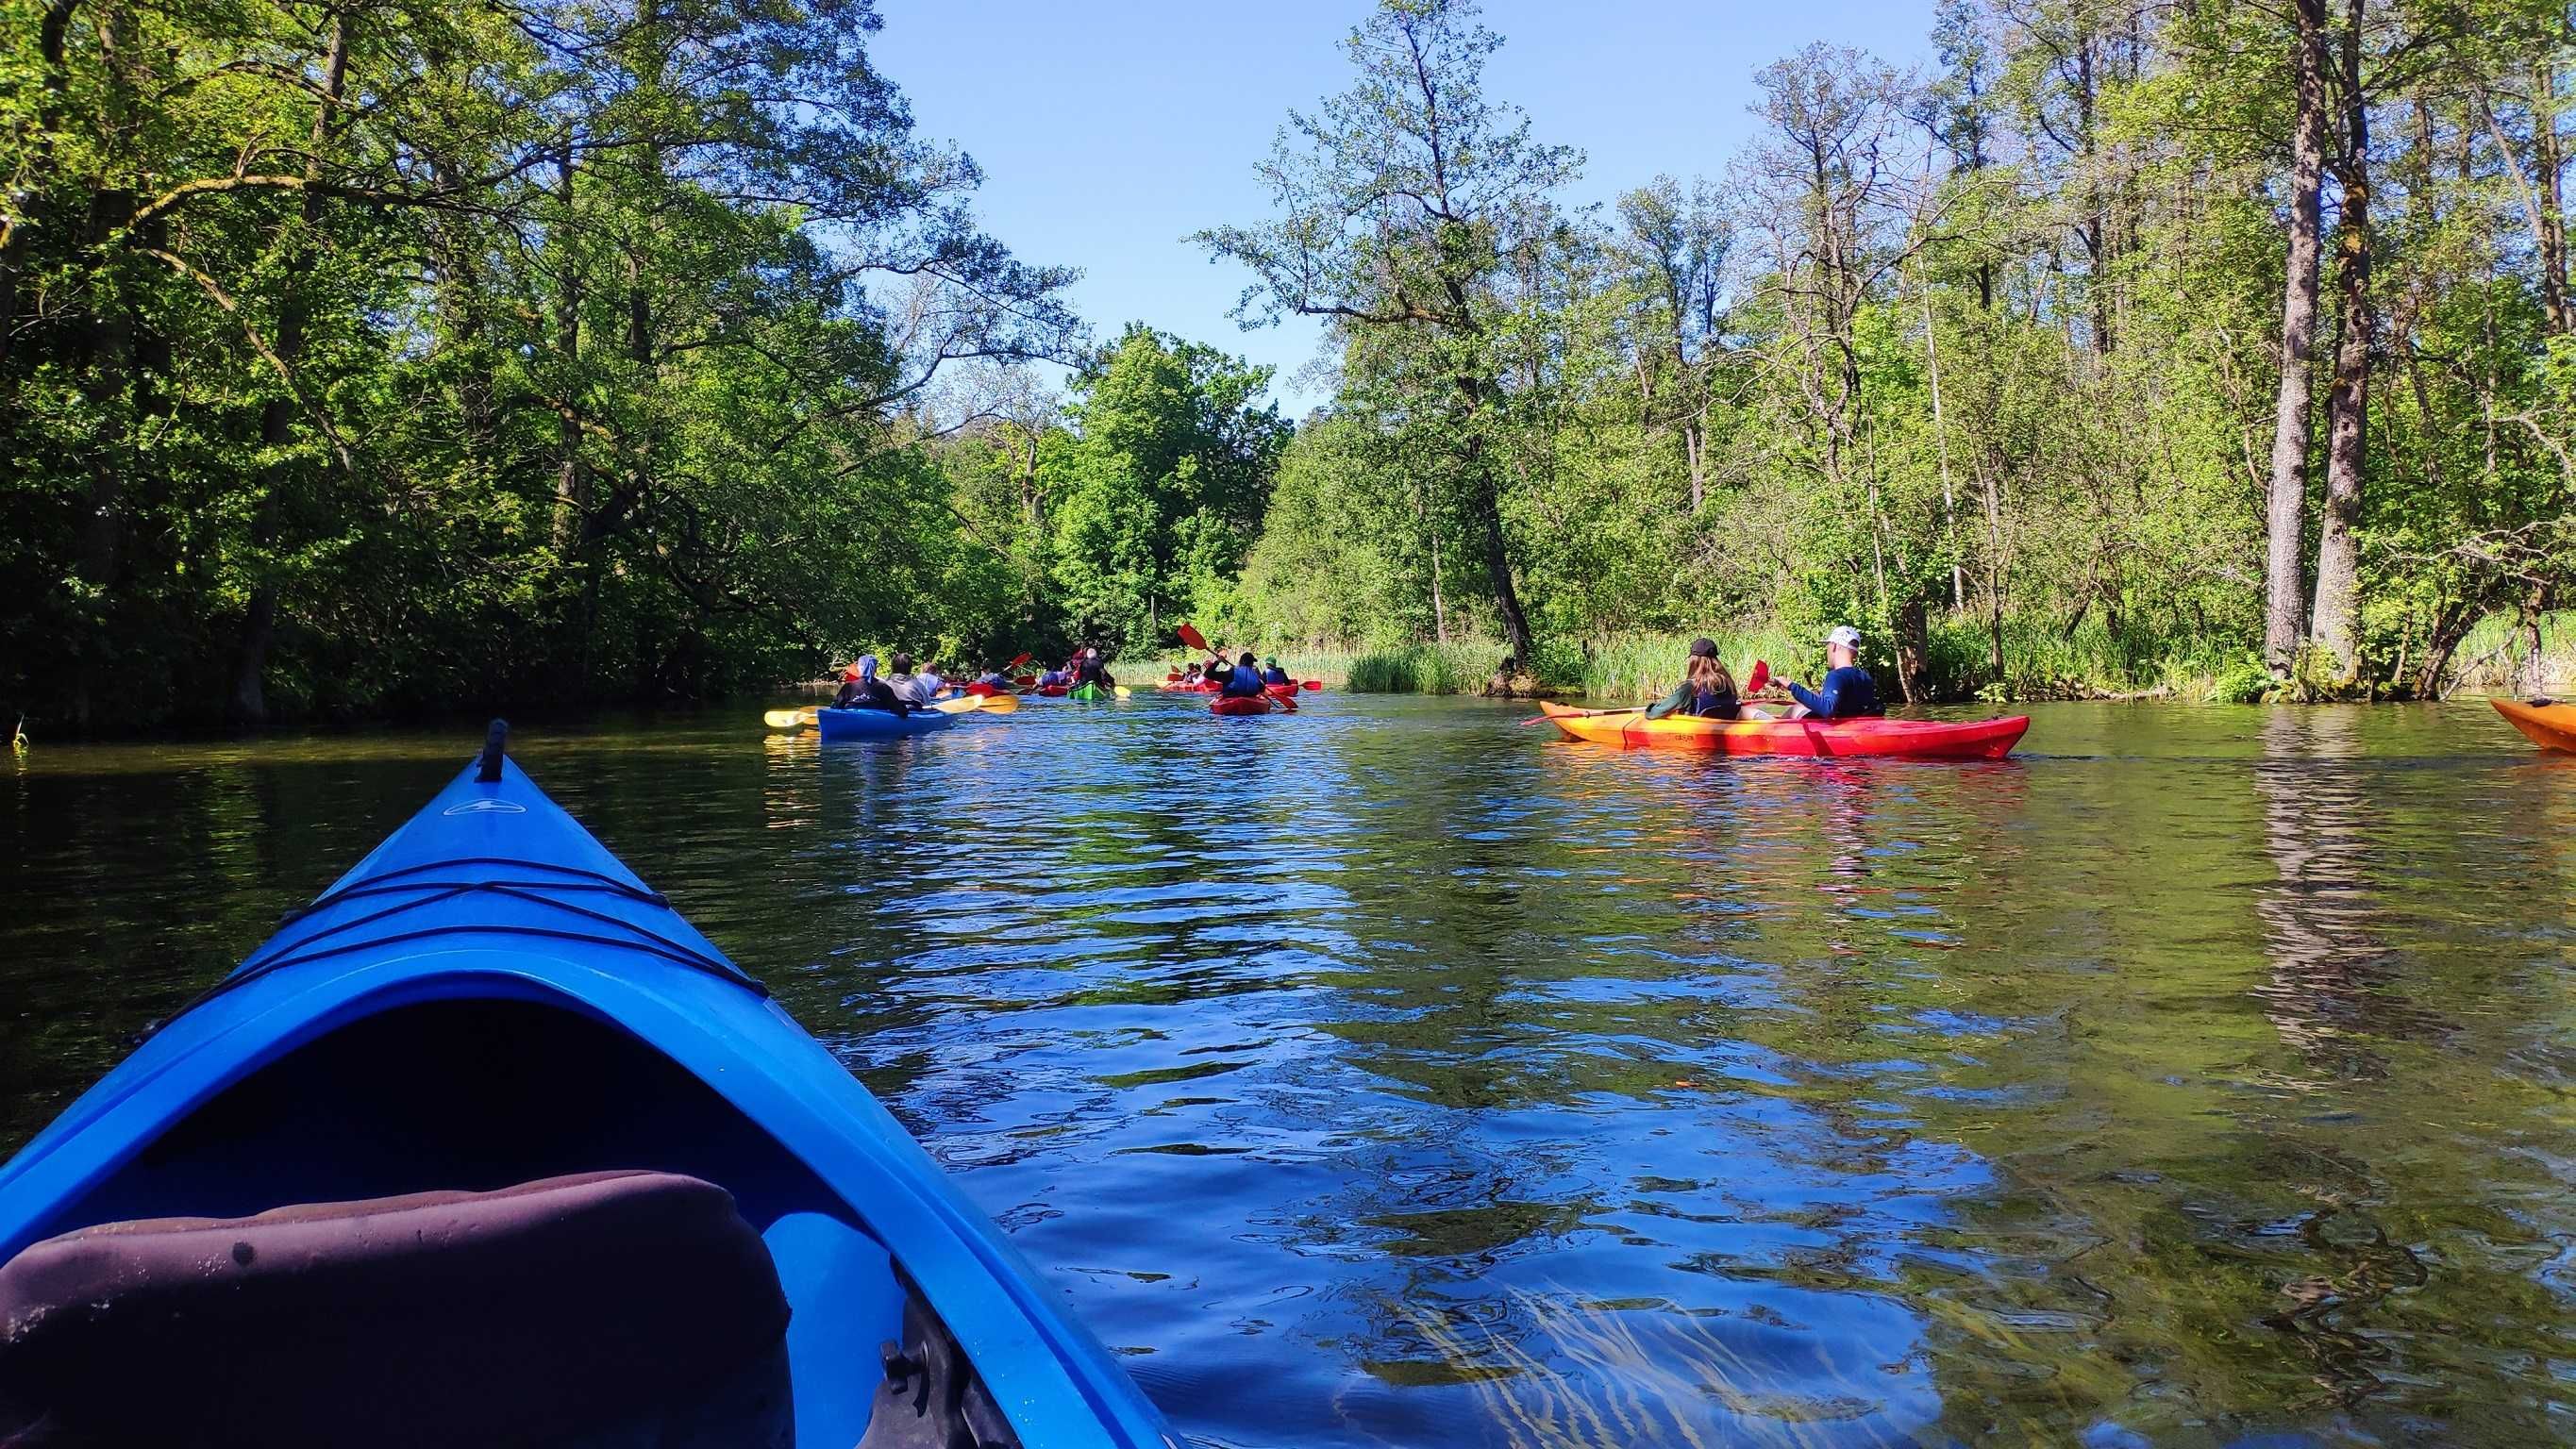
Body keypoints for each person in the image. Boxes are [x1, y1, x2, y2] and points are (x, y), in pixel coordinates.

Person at [1786, 625, 1882, 719]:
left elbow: (1828, 710)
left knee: (1796, 709)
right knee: (1803, 706)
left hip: (1837, 730)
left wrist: (1790, 686)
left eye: (1828, 646)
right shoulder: (1866, 677)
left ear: (1835, 646)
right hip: (1857, 727)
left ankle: (1773, 730)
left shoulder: (1836, 676)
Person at [1645, 638, 1741, 720]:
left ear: (1693, 661)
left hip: (1700, 731)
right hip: (1723, 729)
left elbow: (1654, 713)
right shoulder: (1728, 683)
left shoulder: (1689, 688)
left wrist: (1651, 707)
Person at [831, 656, 907, 715]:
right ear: (875, 670)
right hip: (876, 723)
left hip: (852, 720)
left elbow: (835, 707)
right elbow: (900, 710)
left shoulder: (848, 687)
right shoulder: (884, 687)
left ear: (860, 668)